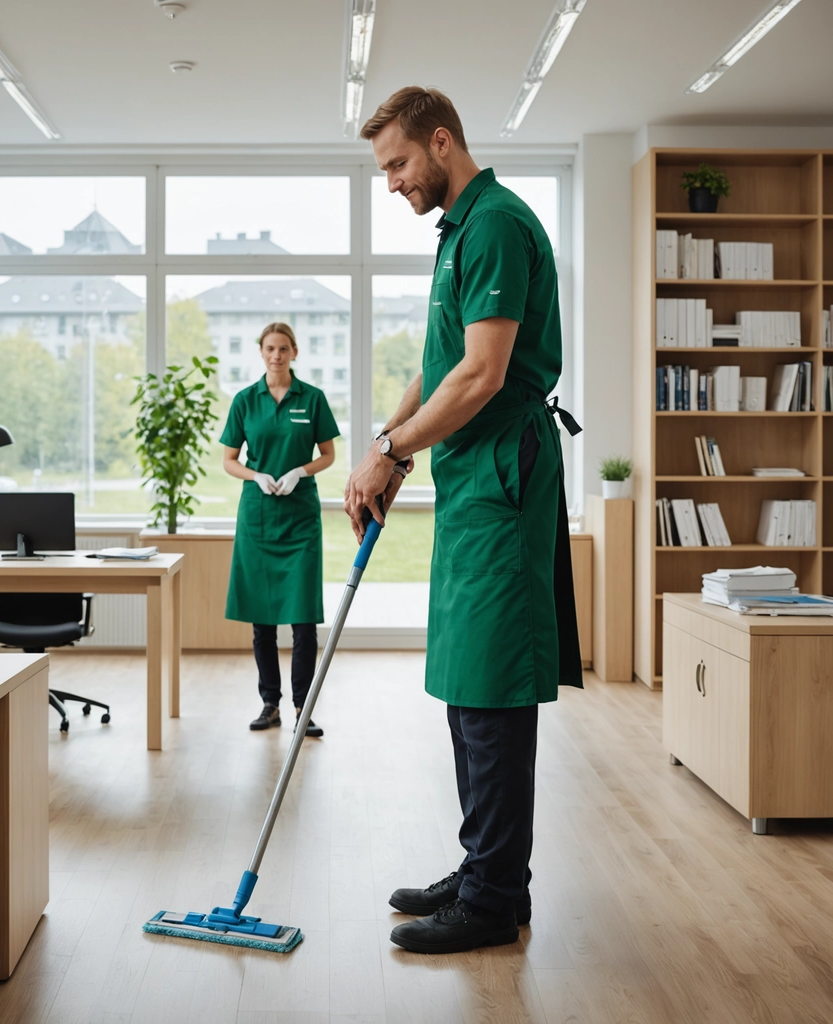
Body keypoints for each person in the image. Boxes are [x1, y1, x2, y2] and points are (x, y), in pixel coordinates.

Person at [345, 87, 583, 955]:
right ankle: (482, 864)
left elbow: (481, 376)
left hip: (502, 475)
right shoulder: (458, 234)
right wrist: (388, 444)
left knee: (491, 689)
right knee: (463, 684)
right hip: (470, 478)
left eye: (399, 164)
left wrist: (393, 452)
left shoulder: (494, 224)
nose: (394, 183)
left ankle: (494, 897)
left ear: (442, 142)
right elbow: (438, 366)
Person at [221, 322, 340, 738]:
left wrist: (299, 471)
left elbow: (328, 454)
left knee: (303, 619)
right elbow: (229, 459)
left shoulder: (312, 399)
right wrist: (254, 476)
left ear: (294, 352)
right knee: (262, 620)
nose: (277, 355)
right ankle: (269, 704)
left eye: (284, 348)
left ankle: (302, 708)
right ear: (260, 351)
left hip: (300, 517)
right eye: (270, 348)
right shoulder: (244, 401)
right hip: (258, 516)